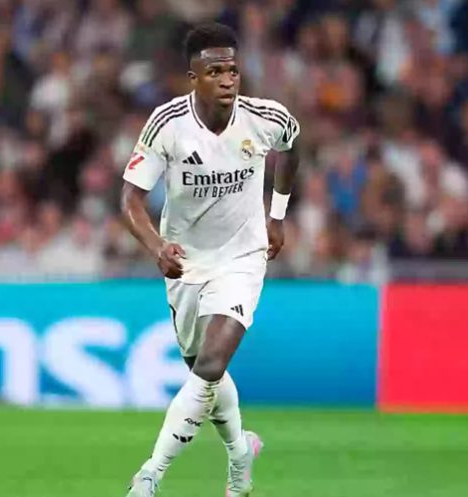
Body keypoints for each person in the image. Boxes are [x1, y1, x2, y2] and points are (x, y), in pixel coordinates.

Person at [119, 22, 300, 497]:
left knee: (213, 361)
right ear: (193, 78)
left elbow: (291, 147)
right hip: (185, 263)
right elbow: (130, 199)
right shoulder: (167, 125)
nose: (227, 80)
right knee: (204, 370)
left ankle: (150, 475)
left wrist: (277, 215)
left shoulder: (265, 117)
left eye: (233, 70)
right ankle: (240, 453)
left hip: (243, 257)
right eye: (214, 71)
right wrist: (157, 246)